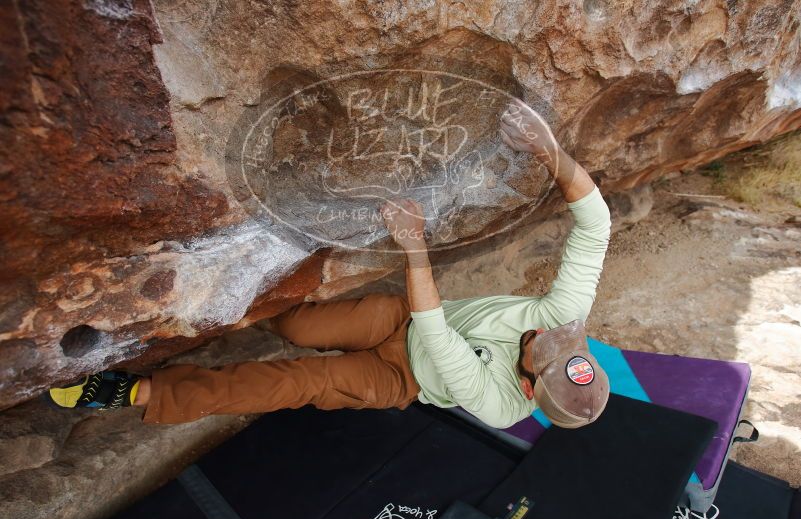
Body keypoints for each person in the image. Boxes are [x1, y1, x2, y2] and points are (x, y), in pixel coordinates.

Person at [48, 98, 611, 429]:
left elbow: (441, 339)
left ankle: (136, 392)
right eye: (572, 344)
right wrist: (550, 152)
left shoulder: (500, 405)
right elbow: (595, 229)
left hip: (402, 375)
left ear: (532, 388)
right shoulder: (565, 318)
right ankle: (228, 304)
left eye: (552, 351)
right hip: (403, 321)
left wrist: (413, 246)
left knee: (293, 382)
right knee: (295, 322)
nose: (558, 334)